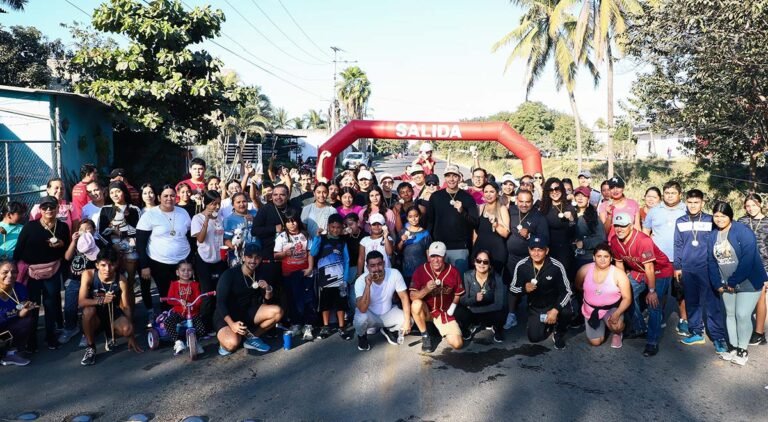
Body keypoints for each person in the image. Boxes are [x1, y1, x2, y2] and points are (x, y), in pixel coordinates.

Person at [708, 201, 767, 366]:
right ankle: (733, 347)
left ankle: (743, 349)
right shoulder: (713, 235)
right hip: (726, 282)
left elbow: (748, 259)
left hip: (748, 280)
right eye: (716, 216)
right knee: (730, 314)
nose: (719, 219)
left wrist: (733, 281)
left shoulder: (743, 231)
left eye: (723, 216)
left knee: (742, 314)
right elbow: (711, 261)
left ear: (730, 216)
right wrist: (716, 283)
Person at [609, 212, 674, 357]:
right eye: (617, 226)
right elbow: (619, 262)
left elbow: (650, 268)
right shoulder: (614, 240)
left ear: (631, 226)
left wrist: (651, 291)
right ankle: (640, 328)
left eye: (623, 226)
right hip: (638, 270)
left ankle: (652, 342)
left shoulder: (643, 240)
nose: (619, 229)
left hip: (659, 271)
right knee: (626, 295)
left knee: (653, 304)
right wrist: (622, 283)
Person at [673, 189, 727, 352]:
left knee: (712, 303)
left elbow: (720, 241)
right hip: (688, 268)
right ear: (686, 202)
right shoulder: (680, 220)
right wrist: (677, 266)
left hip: (707, 267)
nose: (693, 205)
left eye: (696, 202)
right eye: (690, 202)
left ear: (703, 203)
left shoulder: (711, 220)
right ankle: (696, 332)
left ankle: (718, 337)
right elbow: (678, 244)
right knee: (692, 301)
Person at [14, 195, 70, 350]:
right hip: (32, 272)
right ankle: (31, 341)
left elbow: (67, 250)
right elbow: (19, 249)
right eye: (45, 207)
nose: (49, 210)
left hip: (52, 270)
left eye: (52, 207)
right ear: (40, 209)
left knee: (51, 304)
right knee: (32, 306)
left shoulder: (62, 227)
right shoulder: (30, 226)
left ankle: (51, 337)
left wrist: (61, 244)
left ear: (58, 208)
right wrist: (14, 267)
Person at [215, 244, 283, 355]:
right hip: (227, 316)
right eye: (249, 256)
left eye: (257, 257)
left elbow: (267, 301)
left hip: (247, 312)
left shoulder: (261, 273)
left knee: (277, 312)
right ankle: (224, 342)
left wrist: (268, 289)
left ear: (260, 259)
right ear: (243, 257)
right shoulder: (229, 274)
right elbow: (220, 303)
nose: (253, 260)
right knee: (232, 344)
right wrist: (232, 324)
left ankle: (252, 338)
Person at [79, 248, 142, 365]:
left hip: (113, 313)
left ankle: (109, 335)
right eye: (103, 265)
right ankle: (91, 347)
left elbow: (127, 307)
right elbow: (81, 302)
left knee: (128, 329)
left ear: (116, 264)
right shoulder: (88, 275)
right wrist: (102, 300)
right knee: (88, 311)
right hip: (95, 315)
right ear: (97, 265)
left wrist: (131, 335)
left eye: (111, 265)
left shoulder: (121, 280)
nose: (107, 269)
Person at [510, 236, 573, 349]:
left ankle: (558, 331)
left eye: (540, 250)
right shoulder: (522, 265)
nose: (536, 253)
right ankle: (548, 325)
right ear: (529, 250)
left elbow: (567, 291)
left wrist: (555, 310)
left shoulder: (556, 266)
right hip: (536, 307)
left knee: (567, 312)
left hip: (554, 304)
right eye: (533, 249)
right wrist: (524, 288)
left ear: (546, 250)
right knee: (534, 338)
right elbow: (513, 289)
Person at [136, 185, 192, 312]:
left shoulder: (183, 212)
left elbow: (189, 235)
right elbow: (140, 242)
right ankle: (167, 323)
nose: (169, 198)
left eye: (172, 195)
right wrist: (144, 265)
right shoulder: (150, 215)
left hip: (182, 260)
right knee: (166, 295)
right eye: (165, 196)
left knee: (183, 293)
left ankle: (184, 319)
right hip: (159, 262)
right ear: (159, 197)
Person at [643, 181, 687, 335]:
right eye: (667, 193)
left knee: (681, 292)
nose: (670, 196)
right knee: (658, 292)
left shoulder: (686, 210)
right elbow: (645, 231)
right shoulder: (654, 211)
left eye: (673, 193)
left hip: (679, 260)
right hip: (658, 260)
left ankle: (684, 321)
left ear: (680, 195)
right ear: (663, 195)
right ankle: (658, 317)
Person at [505, 189, 549, 329]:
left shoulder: (538, 217)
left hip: (530, 259)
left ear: (532, 202)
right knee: (513, 286)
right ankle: (511, 315)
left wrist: (529, 235)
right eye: (521, 201)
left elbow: (545, 239)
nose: (524, 205)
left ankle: (534, 315)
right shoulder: (510, 211)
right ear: (516, 200)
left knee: (533, 287)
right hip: (511, 257)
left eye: (527, 202)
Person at [410, 241, 465, 352]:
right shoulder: (420, 271)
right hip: (426, 311)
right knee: (416, 304)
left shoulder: (453, 271)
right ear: (428, 256)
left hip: (443, 313)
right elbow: (412, 296)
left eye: (439, 256)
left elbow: (458, 293)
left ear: (444, 256)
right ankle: (425, 336)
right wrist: (426, 289)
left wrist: (452, 308)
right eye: (433, 256)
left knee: (457, 344)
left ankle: (439, 330)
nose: (435, 260)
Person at [574, 243, 632, 348]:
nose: (602, 259)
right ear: (593, 257)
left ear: (611, 259)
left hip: (611, 308)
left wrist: (617, 313)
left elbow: (627, 298)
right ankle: (598, 324)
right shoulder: (584, 269)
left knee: (616, 325)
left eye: (606, 256)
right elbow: (578, 286)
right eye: (599, 256)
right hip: (591, 309)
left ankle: (617, 333)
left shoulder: (619, 274)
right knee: (596, 342)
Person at [61, 220, 107, 345]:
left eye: (89, 228)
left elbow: (104, 259)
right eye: (82, 229)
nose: (85, 231)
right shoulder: (77, 242)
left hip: (92, 280)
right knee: (70, 306)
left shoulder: (98, 242)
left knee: (90, 307)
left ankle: (88, 331)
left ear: (94, 230)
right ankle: (70, 328)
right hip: (75, 279)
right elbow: (67, 257)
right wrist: (73, 241)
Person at [426, 165, 478, 276]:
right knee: (441, 283)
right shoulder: (436, 197)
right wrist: (428, 247)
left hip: (460, 248)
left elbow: (475, 222)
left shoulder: (467, 198)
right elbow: (430, 222)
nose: (451, 179)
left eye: (454, 176)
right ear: (445, 178)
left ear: (459, 178)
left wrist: (462, 211)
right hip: (439, 248)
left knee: (459, 282)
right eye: (448, 176)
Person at [354, 251, 412, 351]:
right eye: (372, 266)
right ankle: (362, 336)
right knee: (360, 318)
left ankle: (389, 330)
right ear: (367, 267)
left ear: (384, 263)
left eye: (379, 264)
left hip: (389, 312)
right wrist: (368, 285)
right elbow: (362, 309)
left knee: (409, 320)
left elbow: (404, 298)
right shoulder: (360, 281)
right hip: (370, 316)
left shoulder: (394, 273)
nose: (377, 269)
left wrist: (407, 322)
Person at [308, 214, 352, 340]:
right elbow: (313, 252)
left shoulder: (342, 242)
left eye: (338, 227)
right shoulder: (321, 239)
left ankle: (342, 327)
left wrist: (345, 279)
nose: (335, 230)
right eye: (333, 227)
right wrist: (317, 237)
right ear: (328, 226)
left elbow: (347, 260)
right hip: (324, 279)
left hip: (339, 279)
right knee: (325, 304)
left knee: (341, 304)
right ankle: (325, 326)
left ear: (342, 227)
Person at [98, 181, 141, 306]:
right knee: (115, 282)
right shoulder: (105, 210)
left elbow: (138, 231)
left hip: (130, 249)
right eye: (112, 192)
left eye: (118, 191)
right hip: (112, 250)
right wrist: (112, 246)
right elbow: (101, 232)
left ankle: (130, 314)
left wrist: (121, 235)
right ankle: (116, 313)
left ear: (124, 192)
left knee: (129, 283)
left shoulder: (134, 209)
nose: (115, 194)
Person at [274, 209, 314, 340]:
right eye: (288, 222)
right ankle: (296, 324)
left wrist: (310, 268)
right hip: (289, 274)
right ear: (285, 223)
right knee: (293, 300)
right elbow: (275, 255)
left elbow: (310, 253)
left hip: (304, 272)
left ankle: (308, 325)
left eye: (294, 221)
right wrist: (285, 254)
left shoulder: (305, 235)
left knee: (308, 299)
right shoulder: (281, 237)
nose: (292, 224)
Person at [191, 190, 226, 333]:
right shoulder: (197, 218)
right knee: (207, 294)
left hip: (220, 259)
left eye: (218, 203)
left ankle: (220, 322)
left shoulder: (220, 217)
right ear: (206, 203)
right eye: (213, 204)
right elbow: (200, 239)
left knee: (220, 292)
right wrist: (206, 220)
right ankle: (205, 326)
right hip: (204, 259)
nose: (216, 207)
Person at [456, 250, 506, 343]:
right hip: (473, 313)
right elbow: (463, 300)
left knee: (502, 311)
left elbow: (498, 304)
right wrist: (474, 299)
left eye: (485, 262)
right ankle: (467, 329)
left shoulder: (497, 277)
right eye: (479, 261)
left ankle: (497, 329)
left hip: (489, 312)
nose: (481, 264)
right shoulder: (467, 275)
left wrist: (474, 309)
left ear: (490, 264)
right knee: (459, 311)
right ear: (474, 262)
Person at [737, 194, 768, 346]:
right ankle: (742, 329)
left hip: (762, 265)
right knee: (742, 297)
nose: (751, 208)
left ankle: (759, 333)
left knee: (760, 298)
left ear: (760, 204)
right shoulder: (742, 221)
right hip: (743, 265)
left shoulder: (767, 222)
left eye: (754, 205)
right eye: (748, 206)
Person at [0, 260, 38, 366]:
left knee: (28, 319)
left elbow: (19, 314)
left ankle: (11, 352)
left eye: (14, 272)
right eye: (5, 272)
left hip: (7, 332)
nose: (10, 275)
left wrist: (26, 309)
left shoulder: (20, 288)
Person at [165, 261, 206, 356]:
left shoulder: (195, 285)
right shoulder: (174, 284)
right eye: (183, 270)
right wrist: (179, 301)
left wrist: (193, 303)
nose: (186, 272)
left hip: (192, 313)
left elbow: (199, 299)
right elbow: (169, 300)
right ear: (177, 272)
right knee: (168, 322)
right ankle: (178, 341)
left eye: (189, 270)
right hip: (179, 312)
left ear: (192, 272)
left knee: (202, 329)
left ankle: (195, 342)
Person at [539, 178, 577, 278]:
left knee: (565, 280)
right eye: (551, 190)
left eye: (557, 188)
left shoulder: (569, 207)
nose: (554, 192)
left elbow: (573, 232)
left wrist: (571, 220)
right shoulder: (543, 208)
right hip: (548, 251)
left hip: (565, 252)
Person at [474, 182, 510, 274]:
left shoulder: (502, 209)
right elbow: (475, 232)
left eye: (491, 192)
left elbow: (506, 233)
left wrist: (496, 224)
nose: (488, 194)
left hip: (496, 252)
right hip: (480, 249)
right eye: (486, 192)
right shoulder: (480, 208)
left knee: (494, 281)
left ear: (497, 193)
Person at [396, 206, 431, 287]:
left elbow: (428, 254)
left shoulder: (425, 234)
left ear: (420, 216)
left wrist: (430, 270)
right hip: (406, 271)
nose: (414, 219)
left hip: (422, 271)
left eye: (416, 216)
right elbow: (397, 250)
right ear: (407, 218)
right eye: (410, 217)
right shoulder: (403, 232)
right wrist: (402, 241)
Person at [573, 186, 606, 269]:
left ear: (588, 199)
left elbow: (601, 238)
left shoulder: (593, 217)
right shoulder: (569, 214)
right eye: (577, 195)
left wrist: (584, 243)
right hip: (569, 257)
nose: (580, 198)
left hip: (587, 258)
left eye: (583, 196)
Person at [223, 192, 259, 267]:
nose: (242, 204)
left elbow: (264, 229)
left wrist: (255, 220)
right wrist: (235, 246)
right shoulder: (228, 220)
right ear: (233, 204)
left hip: (257, 254)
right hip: (239, 256)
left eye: (244, 201)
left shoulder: (255, 213)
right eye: (238, 202)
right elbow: (226, 239)